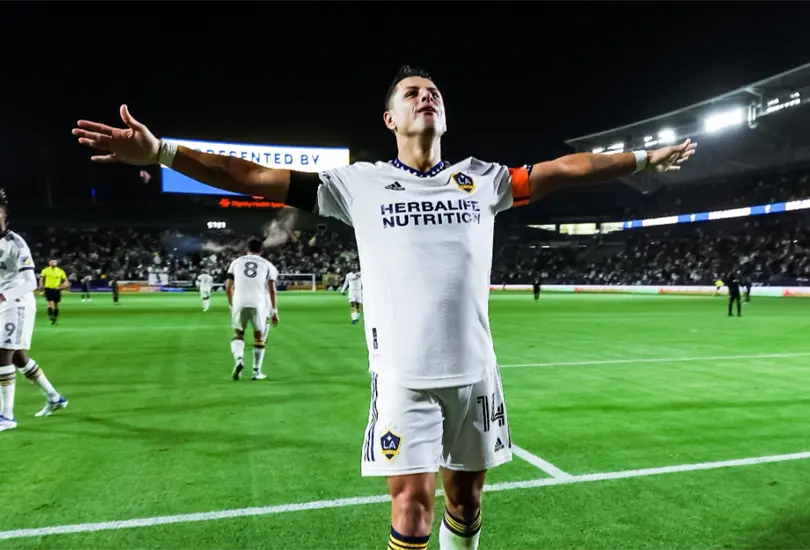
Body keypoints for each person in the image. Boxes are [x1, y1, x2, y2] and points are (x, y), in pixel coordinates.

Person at [72, 65, 696, 549]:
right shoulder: (358, 183)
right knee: (411, 508)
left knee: (468, 503)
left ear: (443, 116)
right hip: (403, 378)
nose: (427, 97)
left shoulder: (483, 179)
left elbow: (565, 169)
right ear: (390, 118)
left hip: (477, 373)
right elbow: (253, 175)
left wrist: (643, 157)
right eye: (412, 93)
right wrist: (162, 154)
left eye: (434, 92)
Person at [0, 191, 68, 432]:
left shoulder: (16, 244)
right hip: (2, 302)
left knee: (2, 353)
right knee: (18, 357)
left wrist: (3, 296)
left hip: (16, 302)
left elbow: (30, 283)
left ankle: (6, 416)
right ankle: (54, 397)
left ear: (5, 216)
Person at [225, 239, 279, 381]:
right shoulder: (267, 265)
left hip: (239, 301)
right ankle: (256, 372)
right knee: (259, 337)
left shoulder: (236, 262)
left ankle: (239, 359)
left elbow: (228, 288)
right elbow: (272, 289)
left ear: (246, 249)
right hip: (258, 303)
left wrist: (231, 305)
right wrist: (274, 311)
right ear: (261, 251)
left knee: (238, 333)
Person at [38, 259, 67, 324]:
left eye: (54, 262)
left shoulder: (60, 271)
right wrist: (41, 289)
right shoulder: (45, 270)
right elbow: (41, 279)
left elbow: (65, 280)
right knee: (50, 303)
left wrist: (61, 287)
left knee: (56, 305)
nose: (53, 263)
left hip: (57, 289)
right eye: (52, 262)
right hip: (48, 288)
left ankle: (55, 318)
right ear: (49, 263)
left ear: (56, 263)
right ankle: (51, 316)